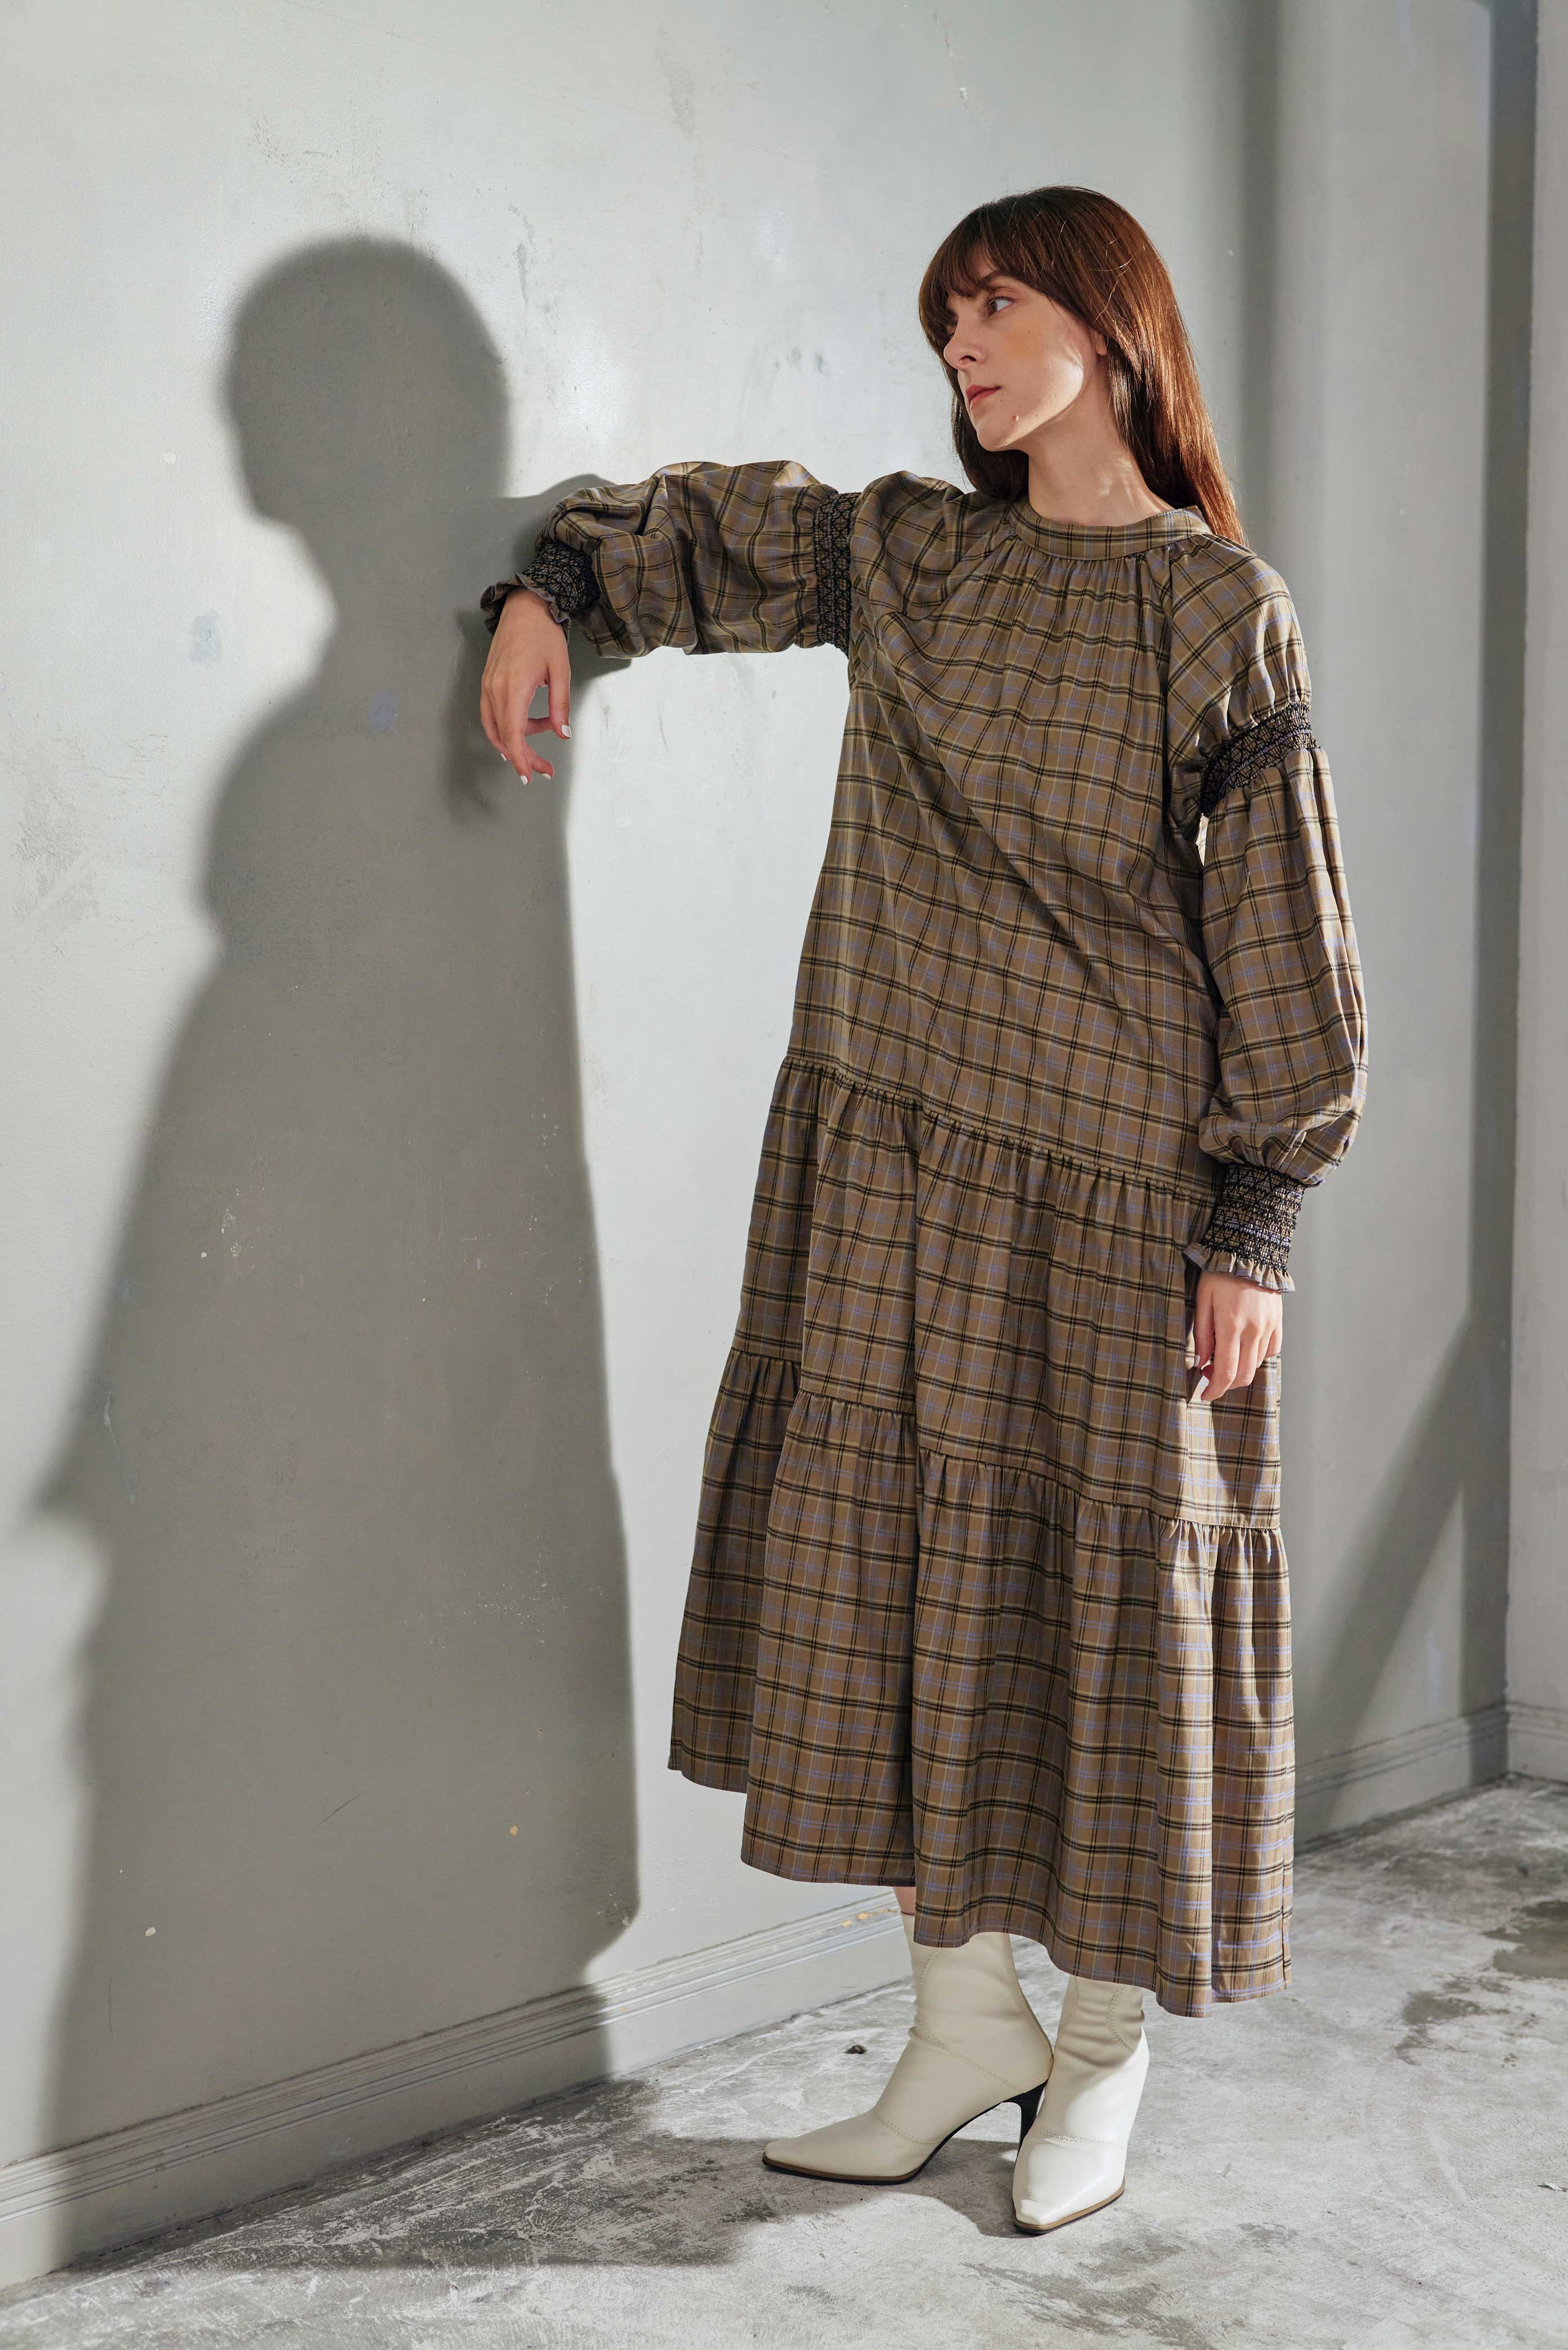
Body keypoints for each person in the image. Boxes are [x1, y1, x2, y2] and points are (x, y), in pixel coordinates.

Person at [477, 184, 1366, 2234]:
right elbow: (696, 537)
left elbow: (1288, 929)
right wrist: (551, 596)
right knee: (891, 1589)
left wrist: (1256, 1221)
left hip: (1120, 1185)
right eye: (944, 318)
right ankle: (963, 2028)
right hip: (892, 1158)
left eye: (995, 306)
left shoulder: (1219, 609)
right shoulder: (911, 553)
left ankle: (1102, 2057)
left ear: (1110, 327)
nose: (960, 347)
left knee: (1113, 1623)